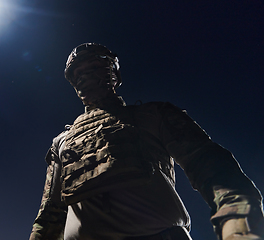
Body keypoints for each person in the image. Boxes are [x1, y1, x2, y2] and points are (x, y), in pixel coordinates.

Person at [29, 43, 264, 240]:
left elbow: (212, 168)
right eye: (78, 73)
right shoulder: (62, 142)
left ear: (114, 74)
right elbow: (50, 215)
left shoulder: (153, 116)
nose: (86, 77)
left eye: (94, 67)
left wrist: (239, 226)